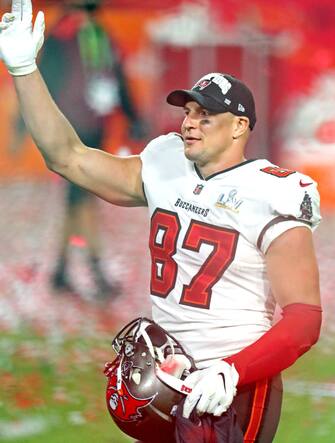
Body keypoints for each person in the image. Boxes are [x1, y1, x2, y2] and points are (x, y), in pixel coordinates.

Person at [0, 1, 322, 442]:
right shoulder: (166, 163)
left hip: (234, 386)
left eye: (205, 116)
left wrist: (231, 371)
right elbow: (68, 158)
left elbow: (304, 320)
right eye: (188, 112)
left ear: (238, 127)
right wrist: (23, 70)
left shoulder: (272, 193)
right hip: (168, 378)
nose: (190, 124)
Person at [8, 0, 146, 299]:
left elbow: (116, 77)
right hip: (69, 132)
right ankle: (93, 270)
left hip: (92, 127)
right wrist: (25, 124)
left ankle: (62, 268)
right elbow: (39, 81)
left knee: (78, 201)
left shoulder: (94, 35)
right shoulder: (65, 37)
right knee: (82, 201)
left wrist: (133, 117)